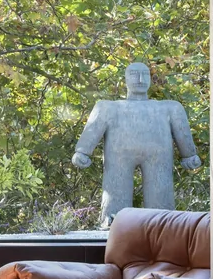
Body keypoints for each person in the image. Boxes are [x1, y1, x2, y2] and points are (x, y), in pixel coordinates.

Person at [71, 60, 201, 221]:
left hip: (158, 157)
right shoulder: (108, 108)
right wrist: (83, 151)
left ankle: (162, 223)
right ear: (125, 79)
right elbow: (93, 128)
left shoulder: (169, 108)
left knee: (160, 199)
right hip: (119, 157)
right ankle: (114, 220)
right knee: (116, 194)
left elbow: (182, 132)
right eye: (134, 75)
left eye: (145, 75)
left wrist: (189, 154)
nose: (140, 79)